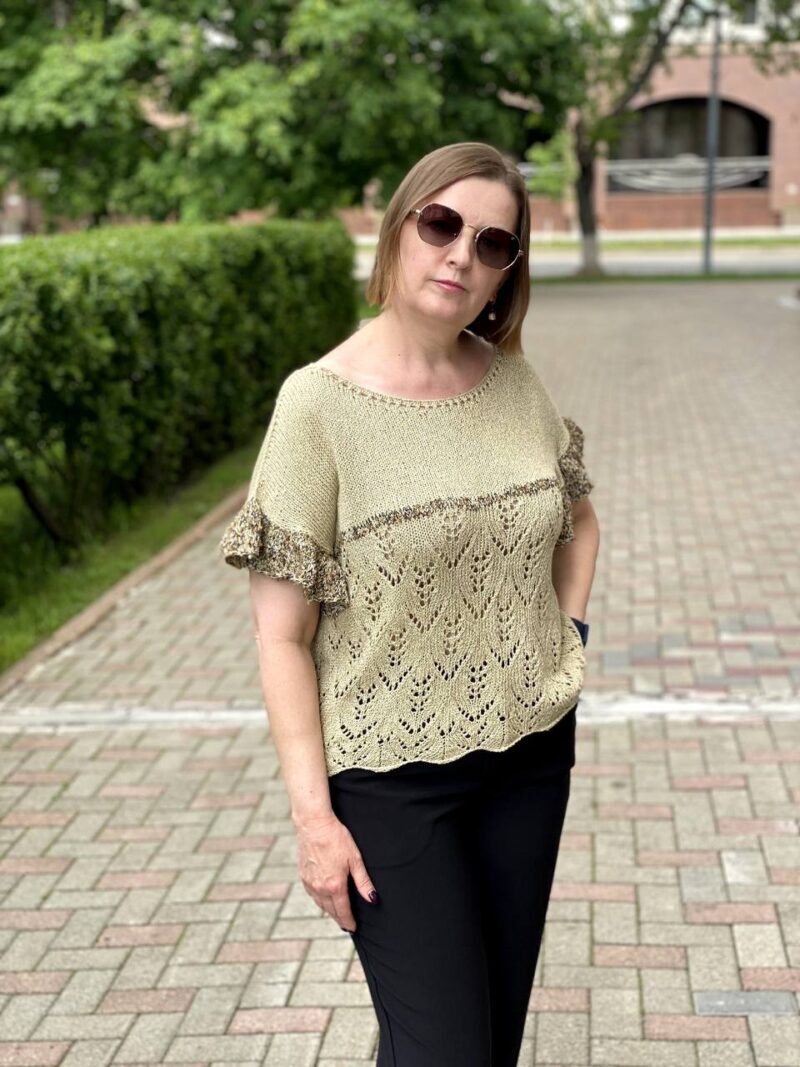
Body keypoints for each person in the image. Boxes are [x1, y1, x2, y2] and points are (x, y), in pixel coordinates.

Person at [219, 141, 599, 1067]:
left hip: (529, 756)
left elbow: (579, 521)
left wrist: (566, 636)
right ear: (398, 228)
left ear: (508, 271)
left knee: (487, 1039)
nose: (461, 253)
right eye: (442, 224)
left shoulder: (514, 382)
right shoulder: (316, 407)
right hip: (390, 783)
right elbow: (281, 635)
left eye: (493, 242)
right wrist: (315, 821)